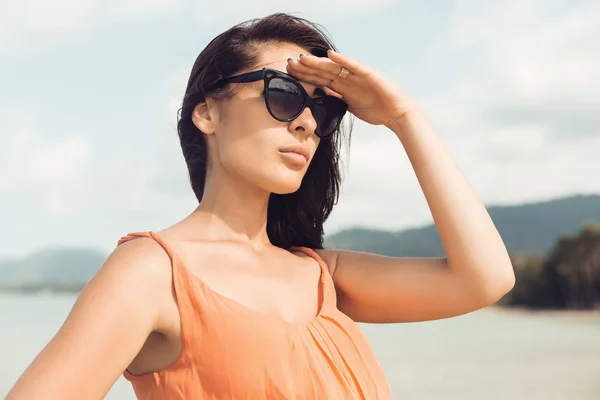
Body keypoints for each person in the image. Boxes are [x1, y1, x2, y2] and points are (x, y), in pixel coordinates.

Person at [7, 12, 515, 400]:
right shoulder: (152, 272)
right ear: (206, 112)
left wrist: (405, 117)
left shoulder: (323, 275)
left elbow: (485, 279)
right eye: (285, 94)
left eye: (323, 108)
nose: (307, 123)